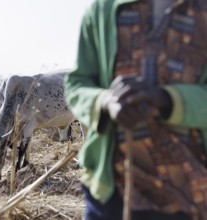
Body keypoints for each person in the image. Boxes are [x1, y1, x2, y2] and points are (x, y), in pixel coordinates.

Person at [64, 0, 207, 219]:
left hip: (192, 195)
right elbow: (77, 84)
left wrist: (168, 99)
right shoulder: (103, 9)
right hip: (110, 195)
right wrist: (105, 101)